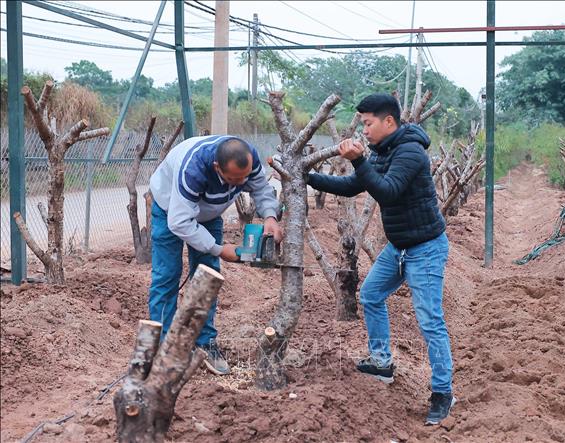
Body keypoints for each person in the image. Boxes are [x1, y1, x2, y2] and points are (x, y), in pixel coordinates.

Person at [306, 93, 455, 425]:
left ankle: (443, 393)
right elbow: (351, 187)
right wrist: (308, 177)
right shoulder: (383, 151)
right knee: (372, 294)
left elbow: (386, 191)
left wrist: (359, 161)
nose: (365, 130)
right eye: (362, 124)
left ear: (389, 122)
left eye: (368, 123)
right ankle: (381, 362)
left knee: (430, 321)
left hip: (425, 248)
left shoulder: (411, 153)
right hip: (399, 247)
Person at [148, 135, 282, 375]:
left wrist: (270, 216)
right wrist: (219, 249)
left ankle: (205, 343)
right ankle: (164, 351)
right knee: (166, 276)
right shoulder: (193, 170)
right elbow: (179, 223)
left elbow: (260, 187)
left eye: (244, 178)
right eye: (233, 179)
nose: (240, 184)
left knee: (208, 277)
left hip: (208, 216)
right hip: (170, 210)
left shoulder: (246, 158)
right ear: (217, 168)